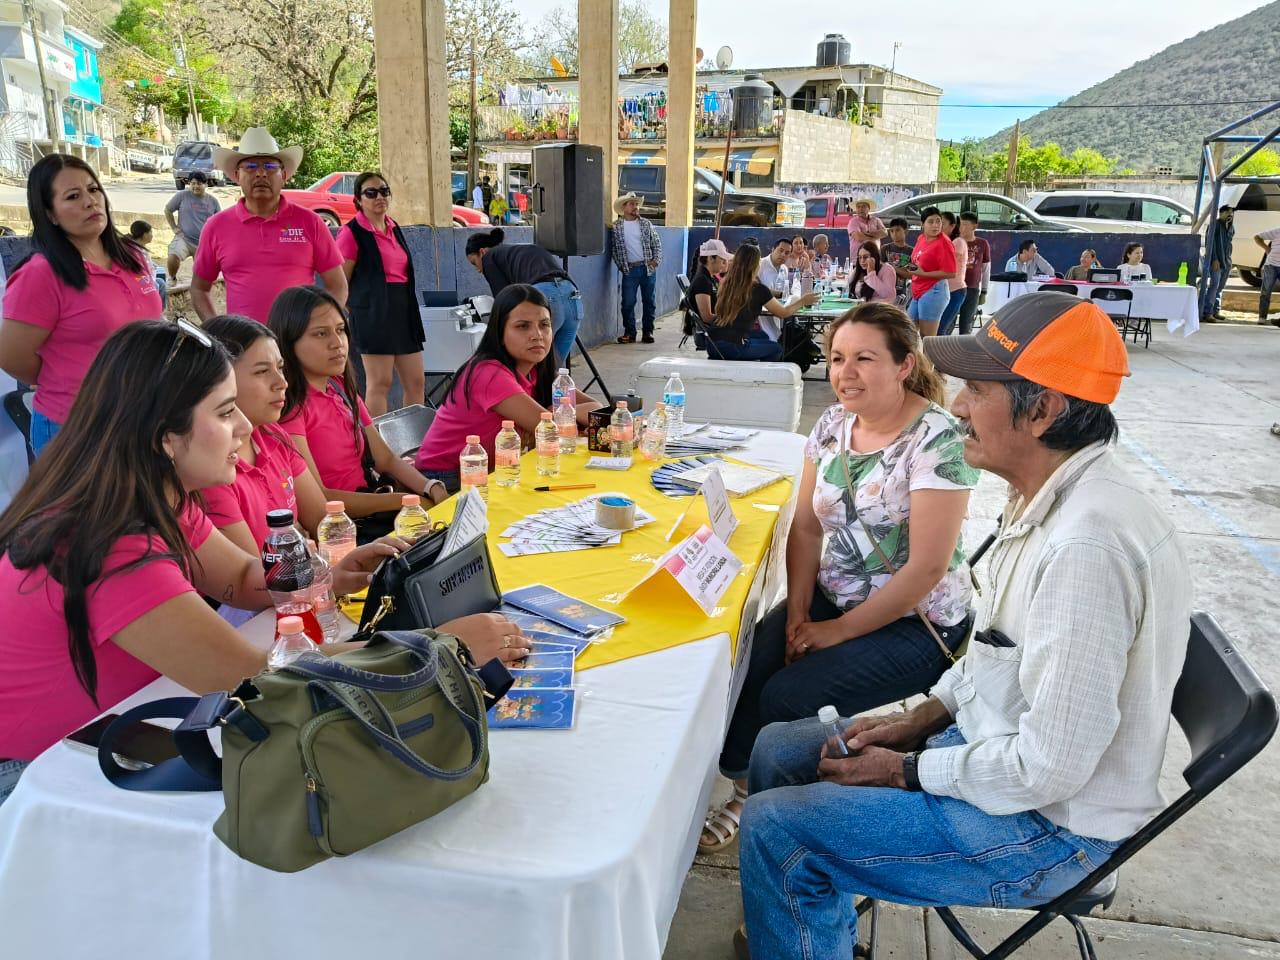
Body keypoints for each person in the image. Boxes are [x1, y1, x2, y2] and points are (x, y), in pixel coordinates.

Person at [736, 292, 1191, 960]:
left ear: (1044, 411)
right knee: (778, 746)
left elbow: (1048, 769)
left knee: (778, 828)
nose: (956, 406)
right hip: (990, 752)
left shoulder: (1089, 546)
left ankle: (797, 912)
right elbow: (993, 655)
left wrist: (911, 770)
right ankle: (807, 932)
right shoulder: (1043, 497)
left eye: (977, 389)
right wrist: (921, 719)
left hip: (1050, 830)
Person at [0, 320, 532, 801]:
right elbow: (261, 686)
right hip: (43, 782)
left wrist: (326, 572)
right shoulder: (110, 542)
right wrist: (441, 650)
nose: (246, 429)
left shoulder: (156, 496)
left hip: (119, 732)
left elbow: (238, 577)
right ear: (164, 435)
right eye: (226, 412)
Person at [700, 301, 976, 855]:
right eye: (836, 358)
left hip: (918, 623)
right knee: (744, 662)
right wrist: (801, 612)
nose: (845, 373)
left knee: (785, 696)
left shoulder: (938, 440)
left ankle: (781, 822)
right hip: (836, 596)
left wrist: (837, 631)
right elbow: (805, 528)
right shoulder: (831, 425)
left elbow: (924, 568)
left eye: (864, 359)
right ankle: (751, 781)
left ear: (903, 365)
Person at [0, 154, 163, 455]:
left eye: (94, 189)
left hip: (140, 416)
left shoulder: (132, 256)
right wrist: (67, 379)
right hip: (77, 428)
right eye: (73, 196)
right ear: (49, 213)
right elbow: (11, 356)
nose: (90, 201)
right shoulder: (40, 274)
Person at [270, 286, 446, 532]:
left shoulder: (341, 388)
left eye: (340, 330)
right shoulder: (292, 411)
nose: (337, 343)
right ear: (290, 341)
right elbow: (322, 497)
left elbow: (385, 459)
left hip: (378, 504)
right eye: (321, 334)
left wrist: (432, 488)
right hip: (346, 529)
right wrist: (405, 501)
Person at [201, 314, 373, 555]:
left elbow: (321, 521)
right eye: (262, 372)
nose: (281, 383)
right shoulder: (211, 472)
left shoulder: (273, 435)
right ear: (222, 382)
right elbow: (256, 580)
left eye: (280, 368)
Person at [415, 285, 601, 490]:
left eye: (544, 325)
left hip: (494, 469)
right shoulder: (489, 373)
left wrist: (554, 412)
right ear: (500, 332)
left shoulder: (539, 370)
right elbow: (550, 431)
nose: (537, 335)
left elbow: (598, 409)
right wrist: (556, 415)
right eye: (523, 326)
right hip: (446, 477)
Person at [191, 127, 347, 324]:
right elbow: (199, 288)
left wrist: (319, 326)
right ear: (237, 175)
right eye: (251, 166)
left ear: (284, 175)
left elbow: (338, 285)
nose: (261, 173)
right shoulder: (216, 226)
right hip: (245, 347)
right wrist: (218, 332)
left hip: (299, 346)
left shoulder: (311, 222)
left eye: (271, 167)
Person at [336, 171, 425, 417]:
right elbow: (340, 281)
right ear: (358, 199)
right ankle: (378, 447)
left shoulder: (393, 227)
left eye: (384, 191)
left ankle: (416, 445)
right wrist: (349, 315)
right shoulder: (351, 233)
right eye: (371, 193)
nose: (379, 197)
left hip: (404, 310)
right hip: (373, 314)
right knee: (380, 383)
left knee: (416, 382)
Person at [465, 229, 582, 366]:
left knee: (532, 364)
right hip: (572, 295)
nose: (478, 270)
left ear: (482, 252)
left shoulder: (489, 257)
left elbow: (504, 299)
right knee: (554, 368)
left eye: (474, 263)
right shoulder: (517, 251)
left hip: (544, 296)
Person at [705, 243, 817, 361]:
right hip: (732, 348)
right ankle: (759, 376)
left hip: (712, 344)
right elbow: (783, 313)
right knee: (776, 349)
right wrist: (803, 301)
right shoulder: (758, 289)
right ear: (755, 265)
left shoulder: (726, 283)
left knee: (762, 336)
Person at [609, 191, 662, 344]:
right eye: (632, 204)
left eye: (636, 204)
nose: (635, 207)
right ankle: (630, 333)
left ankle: (648, 332)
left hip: (647, 268)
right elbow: (615, 250)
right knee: (628, 303)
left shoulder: (646, 224)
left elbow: (656, 243)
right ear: (624, 207)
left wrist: (656, 260)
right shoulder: (617, 227)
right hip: (630, 269)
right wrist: (622, 267)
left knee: (649, 301)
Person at [905, 206, 957, 337]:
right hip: (918, 289)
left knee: (927, 337)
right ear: (922, 224)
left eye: (938, 221)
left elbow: (951, 272)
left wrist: (923, 274)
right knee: (906, 332)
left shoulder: (944, 243)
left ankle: (928, 358)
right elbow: (916, 261)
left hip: (934, 290)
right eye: (931, 222)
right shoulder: (921, 238)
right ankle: (913, 357)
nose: (935, 225)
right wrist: (903, 263)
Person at [164, 170, 220, 281]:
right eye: (192, 183)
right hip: (184, 238)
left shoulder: (213, 201)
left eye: (199, 184)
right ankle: (172, 278)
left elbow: (219, 222)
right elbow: (168, 210)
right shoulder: (182, 196)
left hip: (203, 243)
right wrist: (174, 227)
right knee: (173, 257)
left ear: (206, 184)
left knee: (203, 276)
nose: (195, 186)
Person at [955, 212, 990, 335]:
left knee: (967, 324)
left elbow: (986, 268)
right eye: (960, 224)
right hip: (954, 288)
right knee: (949, 321)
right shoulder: (955, 242)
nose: (961, 227)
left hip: (972, 288)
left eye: (964, 224)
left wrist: (984, 291)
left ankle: (962, 351)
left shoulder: (982, 244)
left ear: (974, 226)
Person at [937, 212, 969, 336]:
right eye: (937, 223)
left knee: (941, 329)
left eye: (942, 223)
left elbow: (945, 262)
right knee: (938, 329)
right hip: (944, 291)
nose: (939, 226)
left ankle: (940, 355)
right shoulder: (944, 242)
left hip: (956, 291)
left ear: (952, 226)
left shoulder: (958, 242)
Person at [688, 238, 730, 328]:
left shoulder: (710, 278)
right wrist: (731, 319)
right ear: (711, 258)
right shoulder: (702, 281)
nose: (724, 263)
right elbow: (707, 317)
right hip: (709, 331)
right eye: (722, 259)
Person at [1203, 205, 1233, 323]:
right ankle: (1207, 312)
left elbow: (1229, 244)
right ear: (1221, 213)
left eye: (1231, 213)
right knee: (1214, 285)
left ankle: (1216, 311)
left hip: (1226, 261)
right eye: (1228, 213)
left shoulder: (1230, 227)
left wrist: (1229, 260)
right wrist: (1214, 259)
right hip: (1216, 261)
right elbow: (1210, 243)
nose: (1230, 215)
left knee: (1220, 287)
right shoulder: (1214, 225)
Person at [129, 219, 168, 309]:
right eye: (150, 232)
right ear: (144, 234)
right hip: (137, 280)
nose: (152, 235)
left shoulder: (141, 247)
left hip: (145, 277)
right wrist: (149, 282)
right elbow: (137, 272)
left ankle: (160, 311)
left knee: (161, 283)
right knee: (155, 285)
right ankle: (154, 310)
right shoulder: (134, 250)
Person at [880, 218, 914, 303]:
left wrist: (892, 267)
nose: (894, 234)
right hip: (884, 291)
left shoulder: (911, 251)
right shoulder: (885, 248)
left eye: (898, 230)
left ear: (906, 232)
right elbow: (879, 268)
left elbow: (911, 275)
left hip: (901, 293)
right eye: (892, 231)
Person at [1255, 223, 1280, 324]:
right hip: (1271, 265)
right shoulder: (1277, 231)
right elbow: (1257, 237)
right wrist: (1266, 248)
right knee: (1266, 291)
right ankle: (1262, 317)